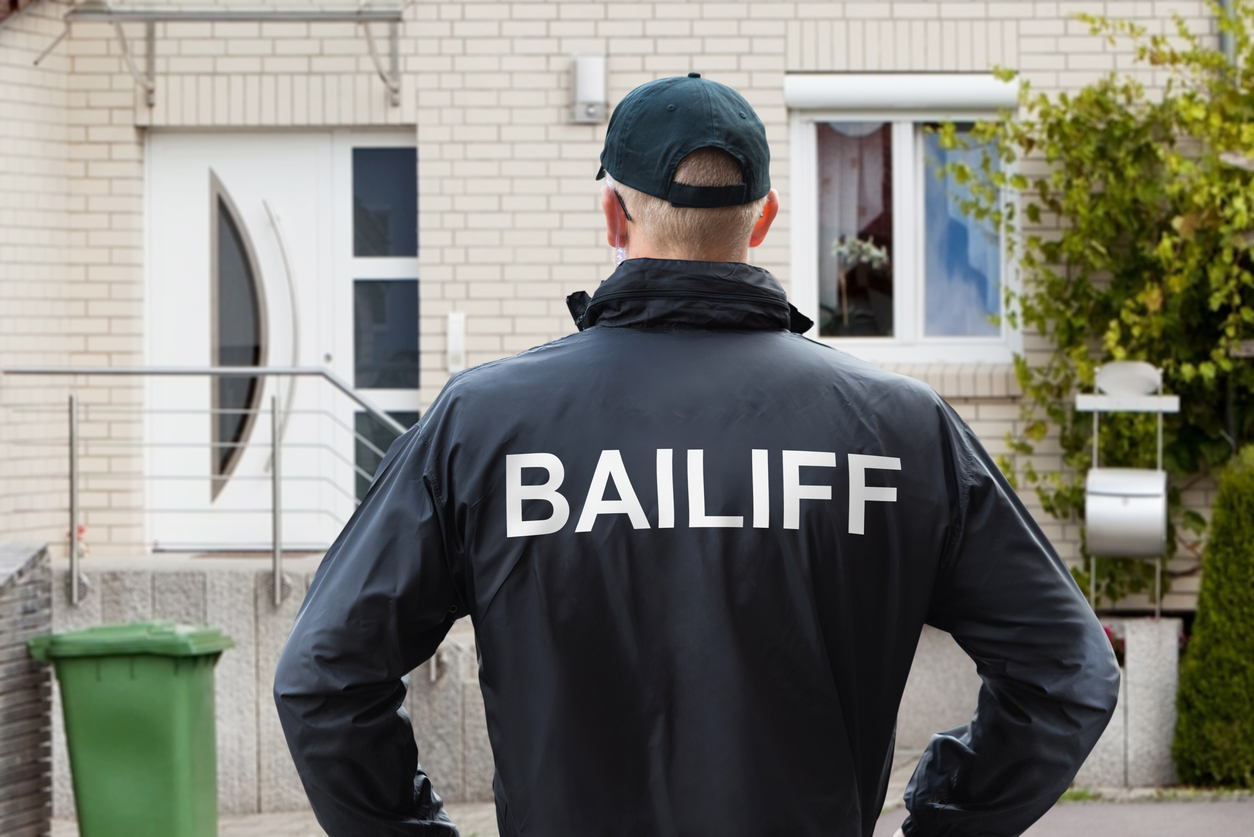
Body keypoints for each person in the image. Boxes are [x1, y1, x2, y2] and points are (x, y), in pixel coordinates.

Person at [275, 74, 1120, 837]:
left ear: (613, 214)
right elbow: (1068, 673)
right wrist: (944, 819)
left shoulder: (483, 422)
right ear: (764, 217)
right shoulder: (899, 427)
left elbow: (325, 678)